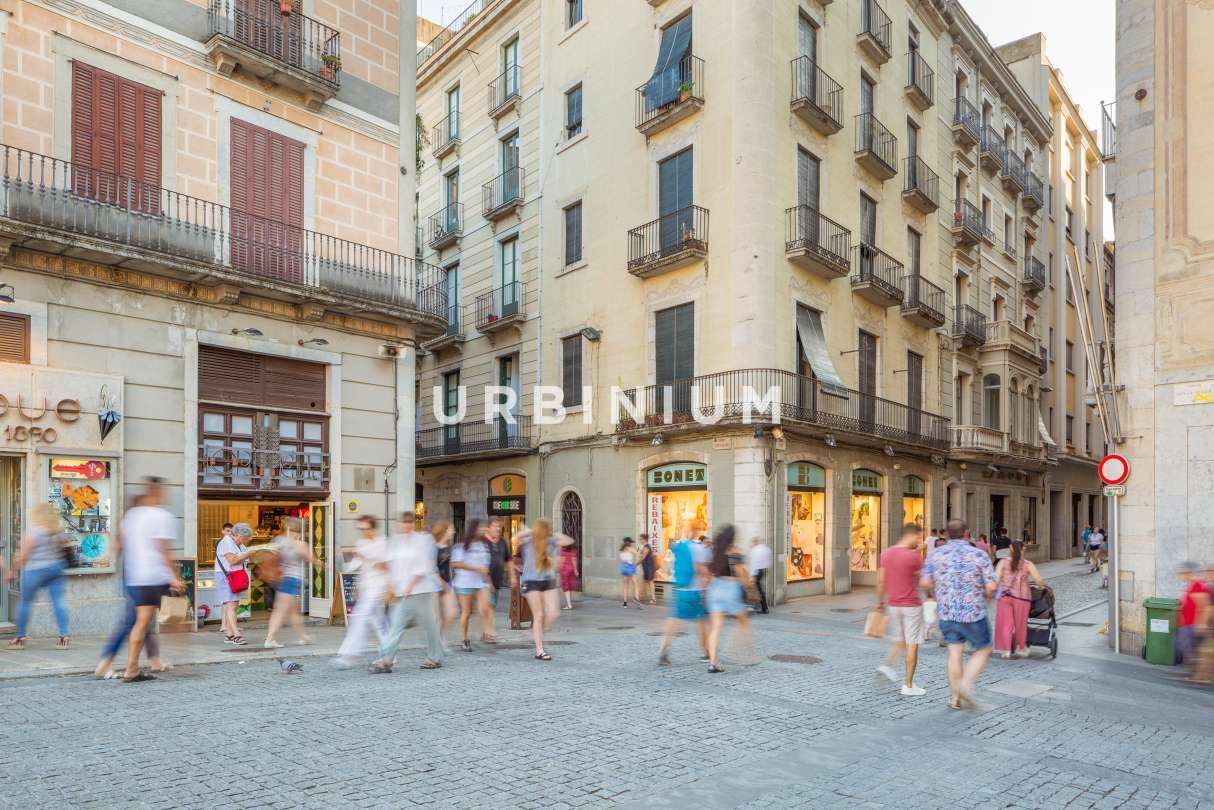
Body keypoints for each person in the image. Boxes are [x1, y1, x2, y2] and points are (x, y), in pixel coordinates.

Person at [921, 518, 996, 710]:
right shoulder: (979, 555)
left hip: (947, 612)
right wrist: (987, 595)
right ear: (966, 533)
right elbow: (991, 586)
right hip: (973, 613)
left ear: (946, 534)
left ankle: (955, 697)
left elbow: (925, 583)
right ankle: (966, 685)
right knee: (984, 648)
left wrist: (937, 590)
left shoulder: (935, 555)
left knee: (954, 653)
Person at [117, 477, 182, 683]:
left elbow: (121, 544)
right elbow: (164, 549)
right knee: (173, 617)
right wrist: (174, 577)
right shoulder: (161, 516)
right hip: (155, 576)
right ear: (158, 492)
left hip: (136, 576)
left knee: (141, 622)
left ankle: (133, 668)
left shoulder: (132, 515)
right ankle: (143, 665)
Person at [370, 512, 445, 673]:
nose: (407, 525)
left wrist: (410, 585)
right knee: (402, 625)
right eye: (404, 522)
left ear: (414, 523)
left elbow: (423, 566)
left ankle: (389, 660)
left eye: (410, 522)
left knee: (424, 625)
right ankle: (388, 660)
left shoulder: (423, 540)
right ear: (399, 524)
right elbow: (389, 562)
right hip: (403, 592)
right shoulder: (396, 542)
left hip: (420, 591)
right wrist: (383, 570)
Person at [5, 503, 71, 650]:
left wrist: (13, 571)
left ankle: (20, 638)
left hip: (36, 570)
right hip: (56, 569)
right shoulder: (59, 532)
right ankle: (63, 637)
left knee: (25, 602)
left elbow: (22, 556)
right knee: (59, 602)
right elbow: (67, 549)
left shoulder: (33, 532)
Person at [875, 523, 927, 696]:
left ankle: (888, 664)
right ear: (911, 536)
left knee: (899, 639)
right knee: (912, 643)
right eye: (918, 537)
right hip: (911, 605)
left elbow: (881, 581)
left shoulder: (887, 553)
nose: (919, 540)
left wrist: (880, 602)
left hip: (893, 604)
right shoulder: (913, 557)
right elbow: (923, 579)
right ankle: (908, 685)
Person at [335, 515, 390, 667]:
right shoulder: (361, 543)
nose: (363, 532)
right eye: (360, 529)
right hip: (367, 587)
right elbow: (355, 566)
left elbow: (386, 567)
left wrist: (368, 559)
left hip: (379, 586)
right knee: (379, 623)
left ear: (373, 528)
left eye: (365, 529)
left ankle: (349, 654)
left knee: (359, 618)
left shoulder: (382, 542)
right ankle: (389, 653)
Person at [512, 518, 571, 660]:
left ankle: (537, 634)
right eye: (547, 527)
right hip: (530, 581)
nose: (549, 529)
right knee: (538, 615)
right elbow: (514, 538)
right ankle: (539, 650)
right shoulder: (528, 541)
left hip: (547, 579)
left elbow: (568, 541)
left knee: (553, 613)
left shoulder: (550, 540)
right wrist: (531, 532)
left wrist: (553, 534)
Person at [263, 516, 322, 648]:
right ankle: (270, 639)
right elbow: (311, 559)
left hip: (282, 579)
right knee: (280, 610)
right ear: (300, 530)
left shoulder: (278, 540)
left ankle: (302, 637)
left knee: (293, 611)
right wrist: (325, 564)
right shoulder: (300, 544)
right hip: (291, 579)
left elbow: (269, 556)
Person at [659, 522, 711, 667]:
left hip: (680, 589)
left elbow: (668, 566)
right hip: (694, 591)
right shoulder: (698, 548)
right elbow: (700, 568)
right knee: (701, 621)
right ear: (696, 531)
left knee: (673, 621)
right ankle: (705, 652)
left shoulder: (678, 547)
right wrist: (708, 580)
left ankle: (663, 652)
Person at [705, 526, 753, 674]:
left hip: (715, 588)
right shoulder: (735, 552)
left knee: (716, 628)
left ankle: (713, 662)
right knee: (743, 622)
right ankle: (741, 654)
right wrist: (747, 584)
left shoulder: (715, 551)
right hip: (731, 588)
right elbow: (741, 574)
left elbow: (709, 572)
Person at [993, 540, 1046, 659]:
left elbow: (995, 579)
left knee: (1005, 624)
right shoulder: (1028, 564)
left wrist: (997, 588)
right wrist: (1040, 586)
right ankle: (1020, 648)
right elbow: (1039, 580)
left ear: (1010, 548)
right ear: (1023, 549)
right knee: (1020, 624)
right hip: (1022, 598)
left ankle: (1006, 651)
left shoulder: (1002, 562)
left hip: (1004, 597)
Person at [451, 519, 495, 651]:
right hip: (464, 583)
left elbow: (485, 567)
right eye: (481, 528)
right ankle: (464, 639)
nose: (483, 530)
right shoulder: (461, 546)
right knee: (467, 612)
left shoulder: (484, 546)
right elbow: (455, 563)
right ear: (473, 529)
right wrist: (476, 569)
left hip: (480, 583)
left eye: (484, 528)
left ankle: (486, 633)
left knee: (485, 608)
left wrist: (489, 581)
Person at [214, 522, 255, 646]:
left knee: (232, 605)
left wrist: (248, 554)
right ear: (238, 536)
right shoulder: (227, 543)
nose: (245, 541)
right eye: (245, 538)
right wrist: (247, 554)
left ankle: (229, 634)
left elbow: (244, 558)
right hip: (227, 576)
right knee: (232, 605)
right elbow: (232, 561)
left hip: (235, 576)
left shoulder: (238, 544)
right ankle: (236, 635)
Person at [1176, 561, 1211, 674]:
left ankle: (1199, 674)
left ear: (1190, 573)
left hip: (1192, 624)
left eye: (1184, 573)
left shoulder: (1197, 585)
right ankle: (1197, 673)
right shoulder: (1191, 585)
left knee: (1189, 648)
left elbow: (1202, 606)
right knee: (1187, 647)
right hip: (1187, 624)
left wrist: (1200, 624)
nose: (1182, 575)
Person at [431, 520, 458, 636]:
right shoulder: (433, 548)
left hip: (447, 585)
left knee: (451, 613)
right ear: (444, 531)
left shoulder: (446, 547)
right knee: (436, 617)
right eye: (451, 529)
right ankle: (437, 642)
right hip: (435, 586)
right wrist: (441, 583)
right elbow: (431, 568)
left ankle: (441, 638)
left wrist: (450, 582)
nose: (453, 532)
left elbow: (448, 566)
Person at [484, 518, 509, 637]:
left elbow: (508, 559)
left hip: (497, 581)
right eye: (495, 526)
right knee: (489, 606)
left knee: (492, 606)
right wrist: (488, 580)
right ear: (488, 528)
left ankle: (485, 632)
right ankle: (488, 633)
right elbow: (481, 563)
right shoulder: (483, 542)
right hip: (484, 582)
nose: (498, 528)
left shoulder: (502, 542)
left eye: (499, 526)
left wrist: (513, 577)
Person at [747, 536, 772, 614]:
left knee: (757, 589)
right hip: (763, 570)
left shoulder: (756, 550)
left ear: (755, 542)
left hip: (757, 571)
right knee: (759, 589)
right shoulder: (765, 548)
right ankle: (762, 606)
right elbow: (769, 561)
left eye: (753, 542)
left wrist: (752, 576)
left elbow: (754, 563)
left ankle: (762, 607)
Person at [558, 536, 580, 610]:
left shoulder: (562, 551)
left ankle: (569, 605)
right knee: (569, 587)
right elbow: (574, 560)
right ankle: (569, 603)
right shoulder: (572, 551)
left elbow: (561, 561)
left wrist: (559, 568)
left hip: (565, 571)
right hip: (571, 570)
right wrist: (575, 570)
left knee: (566, 588)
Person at [619, 537, 641, 608]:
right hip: (630, 566)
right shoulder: (630, 548)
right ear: (629, 543)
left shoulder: (621, 550)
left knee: (625, 585)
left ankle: (625, 603)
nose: (631, 543)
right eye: (631, 542)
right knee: (635, 584)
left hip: (623, 567)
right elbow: (638, 554)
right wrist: (637, 551)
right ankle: (636, 598)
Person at [637, 536, 657, 605]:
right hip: (647, 567)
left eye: (641, 539)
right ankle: (639, 597)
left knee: (650, 582)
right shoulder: (646, 547)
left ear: (644, 539)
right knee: (646, 582)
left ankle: (653, 599)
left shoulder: (646, 547)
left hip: (649, 567)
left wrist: (636, 564)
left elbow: (643, 557)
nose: (640, 541)